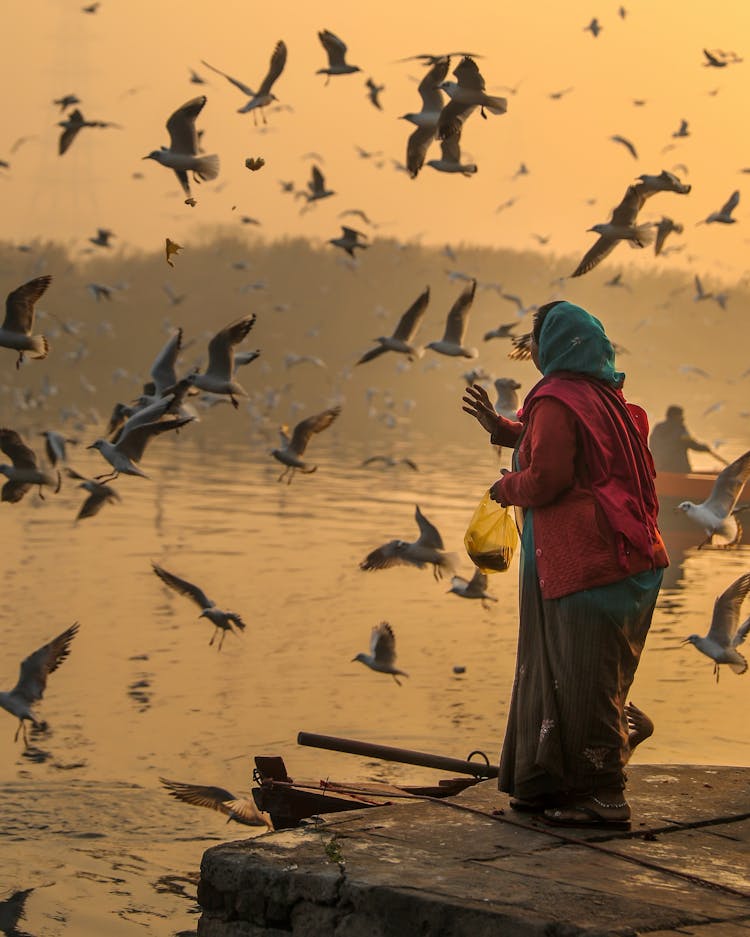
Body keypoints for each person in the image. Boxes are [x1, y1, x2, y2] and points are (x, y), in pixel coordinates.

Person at [462, 300, 669, 829]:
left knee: (582, 678)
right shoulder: (606, 398)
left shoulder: (556, 398)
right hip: (629, 557)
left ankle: (604, 796)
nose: (532, 353)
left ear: (553, 347)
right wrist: (503, 427)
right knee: (580, 671)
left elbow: (548, 479)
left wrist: (503, 487)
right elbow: (568, 446)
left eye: (535, 343)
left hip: (589, 559)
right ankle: (552, 781)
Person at [649, 405, 713, 473]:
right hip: (678, 469)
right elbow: (691, 443)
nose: (683, 418)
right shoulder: (680, 428)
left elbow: (652, 444)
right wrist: (704, 448)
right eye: (681, 415)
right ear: (676, 416)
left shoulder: (658, 428)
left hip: (660, 468)